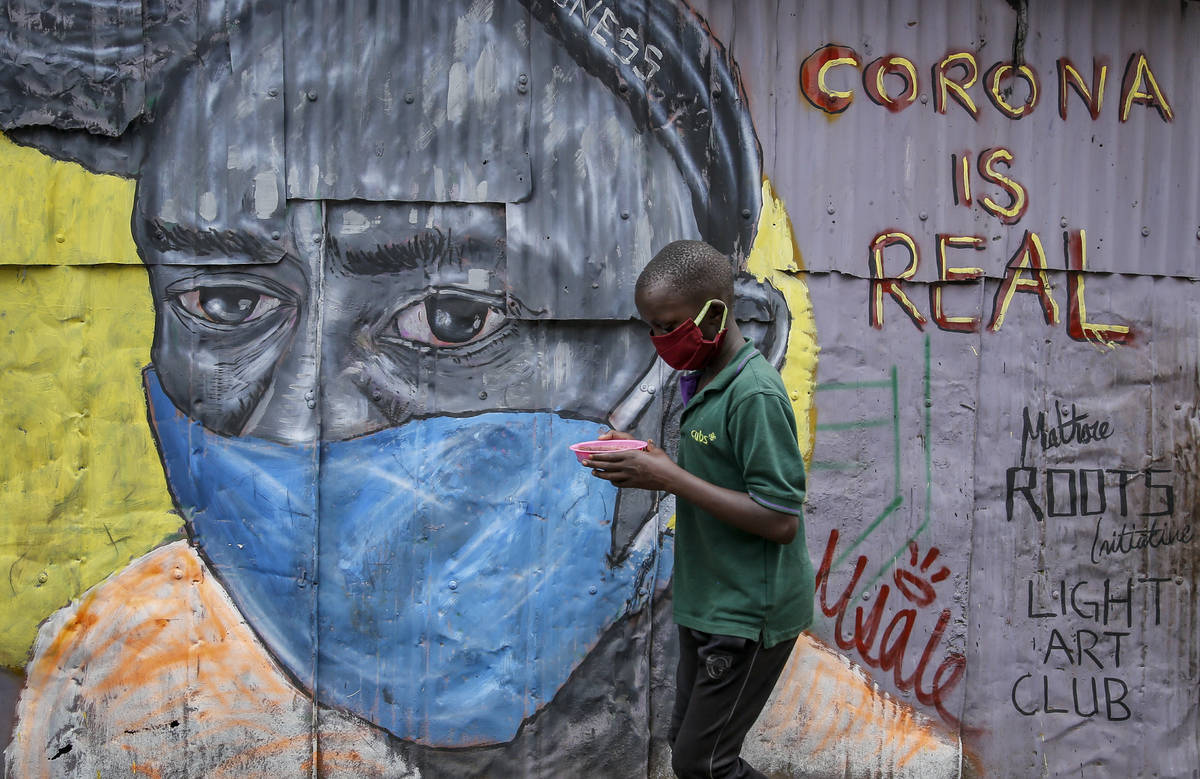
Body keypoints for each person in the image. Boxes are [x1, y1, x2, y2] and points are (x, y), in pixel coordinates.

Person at [585, 239, 813, 779]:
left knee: (704, 764)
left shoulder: (753, 393)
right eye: (652, 328)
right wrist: (643, 460)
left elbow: (780, 518)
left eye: (669, 325)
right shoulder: (705, 380)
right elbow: (710, 477)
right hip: (707, 602)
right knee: (694, 756)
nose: (660, 340)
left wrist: (668, 477)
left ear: (716, 312)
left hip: (747, 612)